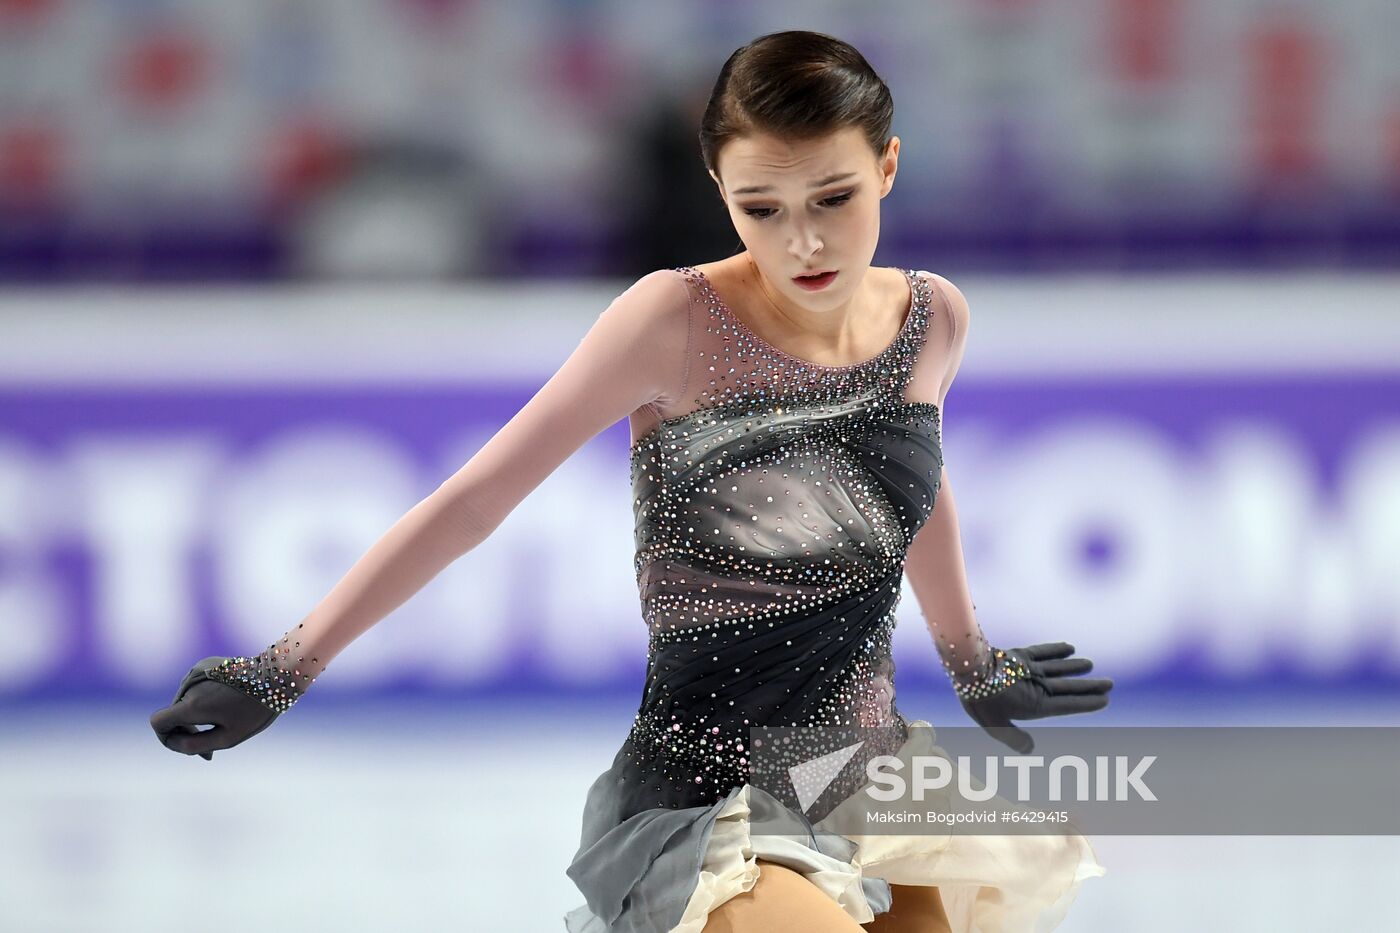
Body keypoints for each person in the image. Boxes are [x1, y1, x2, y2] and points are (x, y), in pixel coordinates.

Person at [149, 30, 1113, 933]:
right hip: (710, 793)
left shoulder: (931, 316)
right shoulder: (672, 319)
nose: (804, 244)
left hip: (867, 771)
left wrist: (969, 658)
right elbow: (474, 500)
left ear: (888, 167)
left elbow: (909, 478)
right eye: (761, 208)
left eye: (834, 198)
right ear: (718, 187)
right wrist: (280, 671)